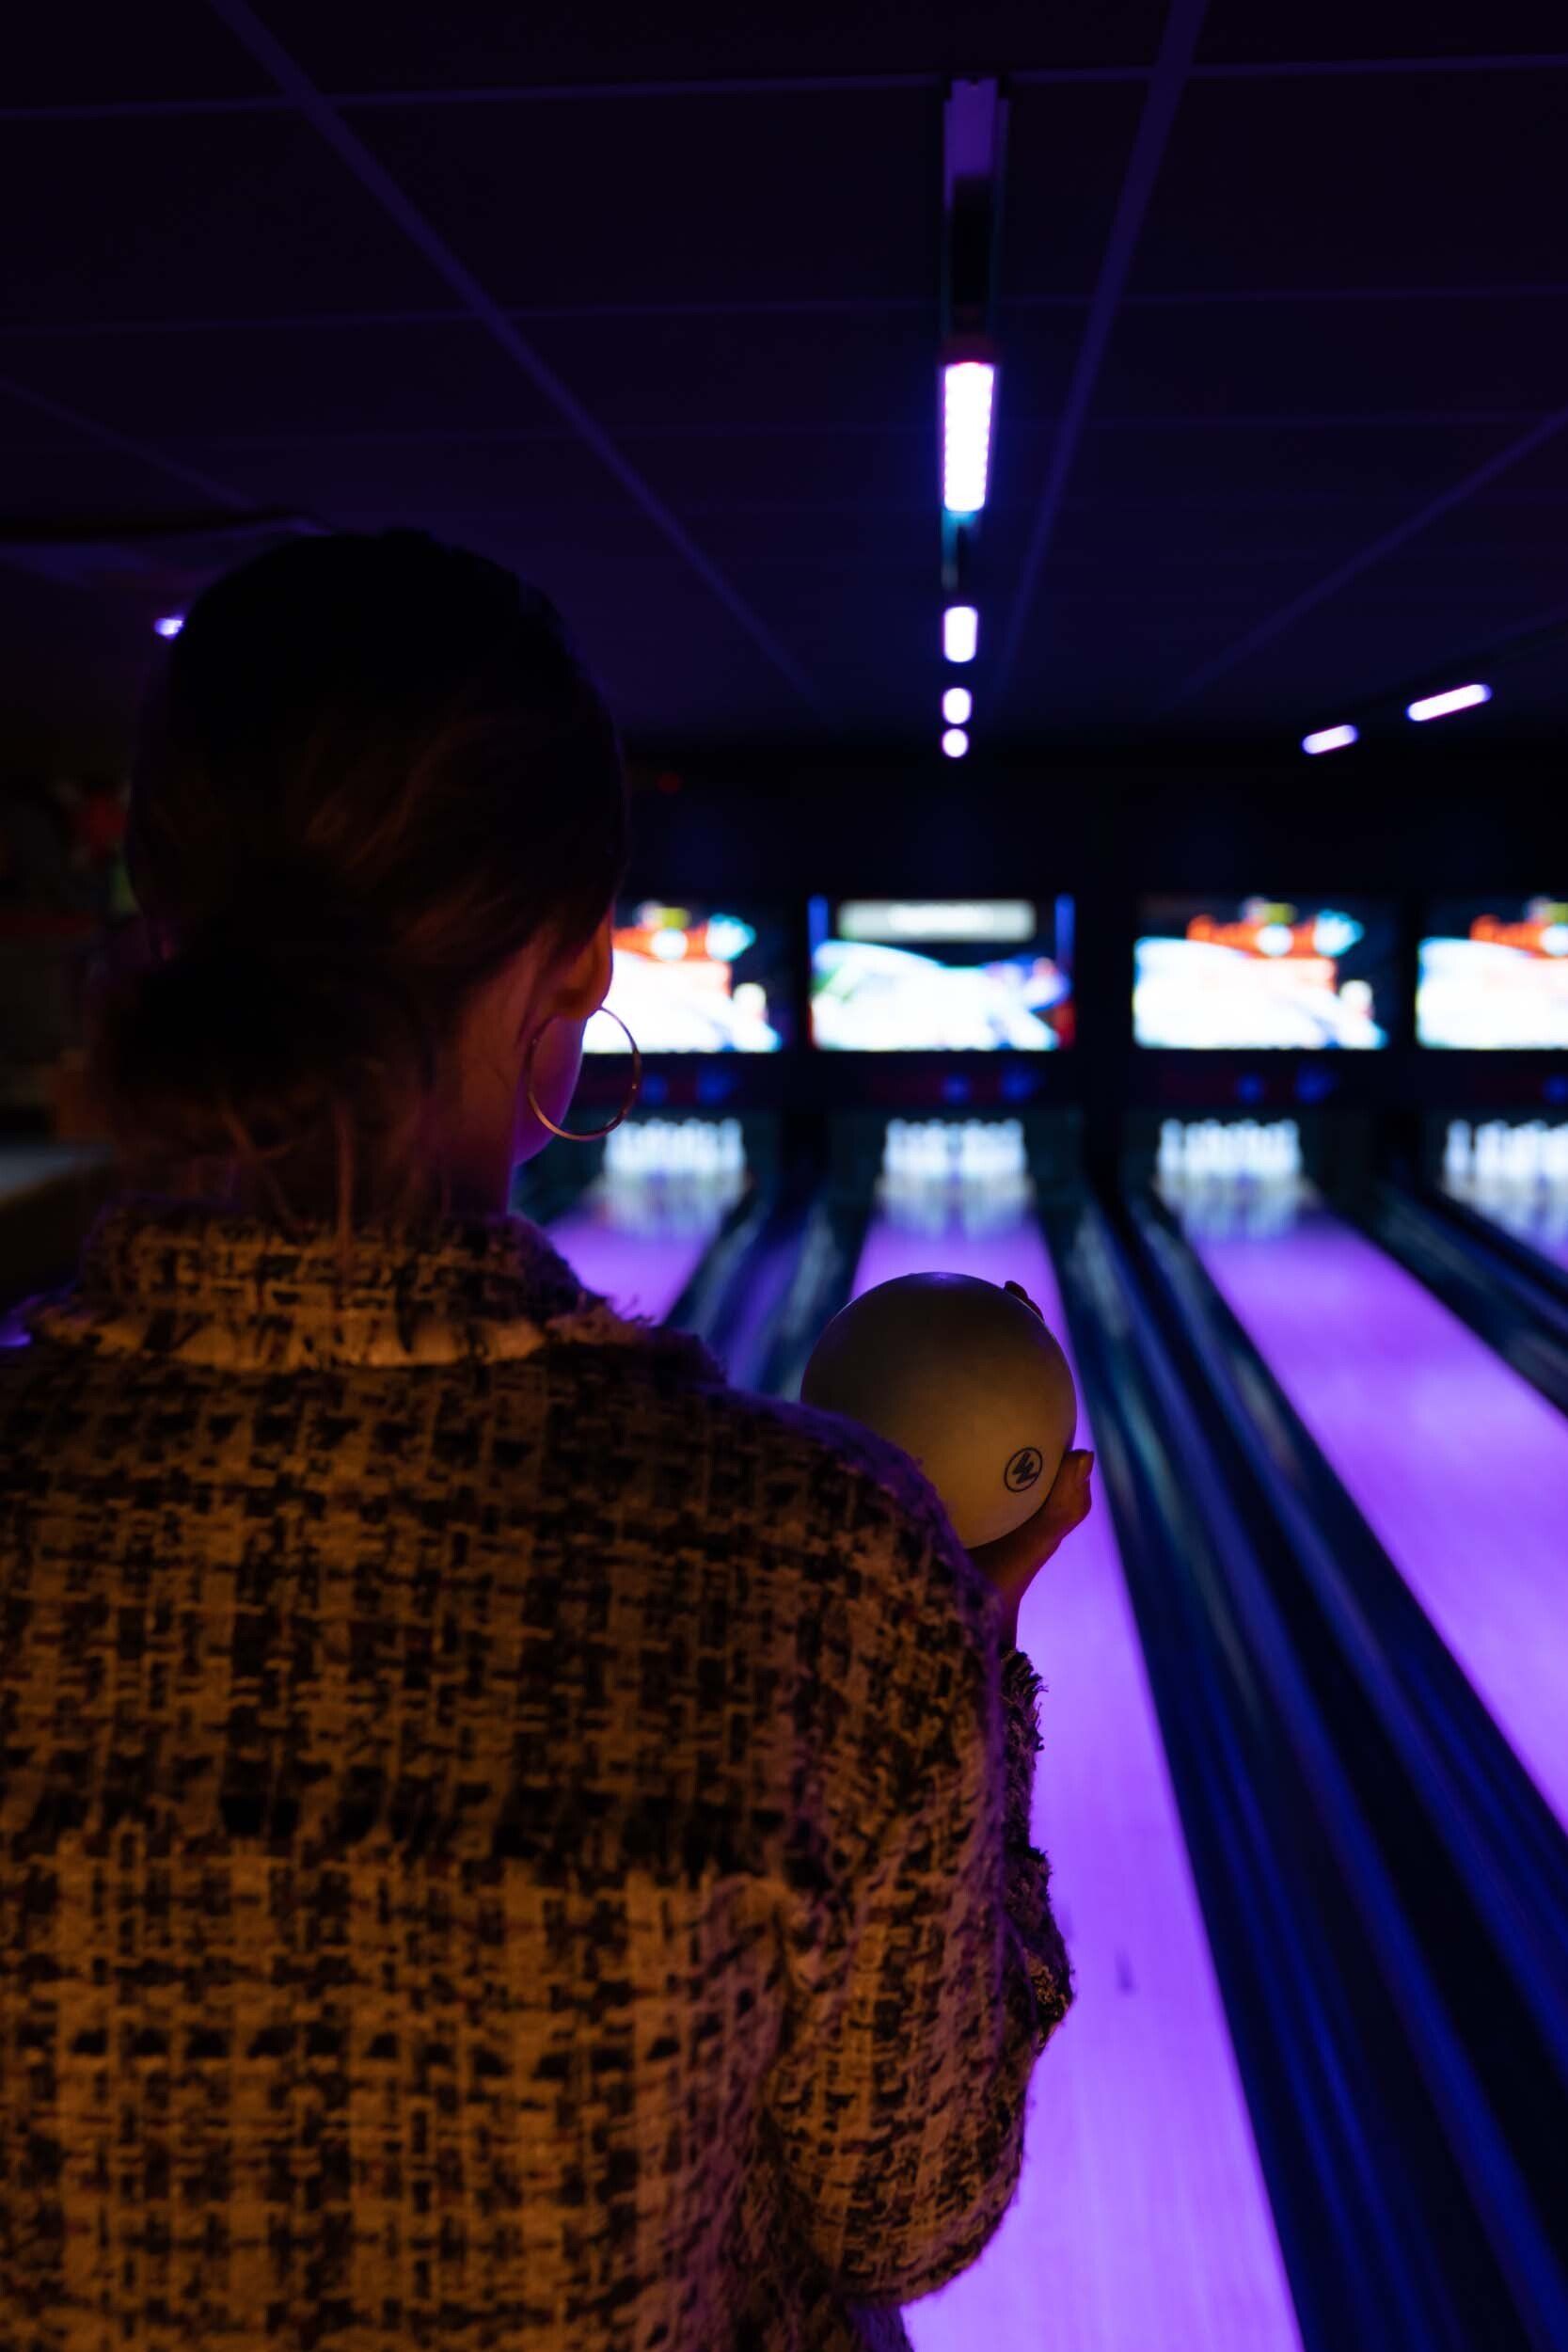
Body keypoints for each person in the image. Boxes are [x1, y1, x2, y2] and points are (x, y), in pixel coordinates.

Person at [0, 531, 1093, 2352]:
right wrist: (962, 1672)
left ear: (159, 921)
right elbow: (907, 2209)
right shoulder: (822, 1568)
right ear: (582, 960)